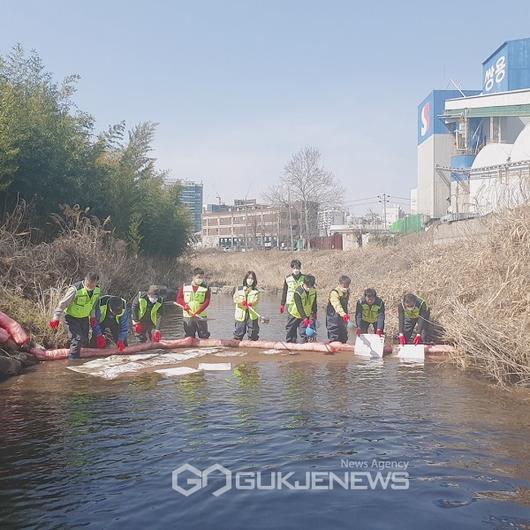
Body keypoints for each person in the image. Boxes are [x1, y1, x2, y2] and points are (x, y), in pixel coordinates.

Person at [49, 272, 101, 360]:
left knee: (84, 340)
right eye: (89, 284)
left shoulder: (97, 290)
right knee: (77, 339)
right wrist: (56, 317)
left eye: (93, 284)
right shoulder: (75, 289)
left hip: (84, 318)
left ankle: (83, 361)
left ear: (96, 283)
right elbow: (63, 304)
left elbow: (93, 306)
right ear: (85, 280)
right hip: (70, 317)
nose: (90, 286)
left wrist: (92, 317)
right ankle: (73, 362)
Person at [177, 267, 211, 339]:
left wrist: (200, 310)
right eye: (198, 277)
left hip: (201, 315)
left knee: (203, 335)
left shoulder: (206, 287)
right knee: (189, 336)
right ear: (193, 277)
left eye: (202, 278)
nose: (200, 280)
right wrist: (184, 305)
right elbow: (179, 298)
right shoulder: (185, 286)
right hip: (188, 315)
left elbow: (207, 300)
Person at [287, 274, 317, 343]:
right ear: (304, 283)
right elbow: (299, 306)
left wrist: (314, 314)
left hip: (306, 314)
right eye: (308, 286)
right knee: (291, 331)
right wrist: (305, 318)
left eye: (311, 286)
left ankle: (305, 345)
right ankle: (290, 343)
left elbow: (314, 304)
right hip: (294, 313)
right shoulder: (298, 292)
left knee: (304, 332)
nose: (309, 288)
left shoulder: (313, 290)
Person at [233, 271, 260, 341]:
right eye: (249, 278)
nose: (250, 280)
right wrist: (241, 302)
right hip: (241, 313)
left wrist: (251, 303)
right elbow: (235, 299)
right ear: (245, 279)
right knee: (239, 332)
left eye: (252, 278)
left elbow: (256, 300)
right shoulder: (239, 289)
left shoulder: (256, 291)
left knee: (253, 333)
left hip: (252, 313)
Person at [326, 275, 351, 343]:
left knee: (344, 336)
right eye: (344, 286)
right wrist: (343, 314)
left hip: (343, 316)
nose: (346, 287)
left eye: (347, 285)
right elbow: (337, 305)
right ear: (340, 284)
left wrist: (345, 315)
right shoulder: (334, 293)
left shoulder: (347, 292)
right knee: (334, 335)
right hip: (333, 316)